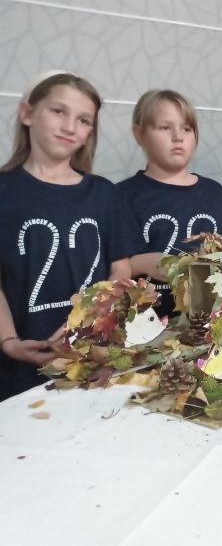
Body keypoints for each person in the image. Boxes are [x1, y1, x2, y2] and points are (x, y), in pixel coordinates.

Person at [0, 71, 135, 400]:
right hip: (18, 368)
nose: (70, 126)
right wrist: (9, 342)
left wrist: (88, 320)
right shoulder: (4, 191)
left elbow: (121, 271)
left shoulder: (104, 194)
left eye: (83, 120)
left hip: (94, 359)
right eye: (58, 111)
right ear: (27, 113)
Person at [117, 89, 222, 317]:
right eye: (165, 127)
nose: (178, 136)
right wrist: (140, 264)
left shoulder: (216, 193)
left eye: (187, 129)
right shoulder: (120, 196)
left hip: (209, 325)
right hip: (142, 326)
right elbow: (104, 270)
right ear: (139, 135)